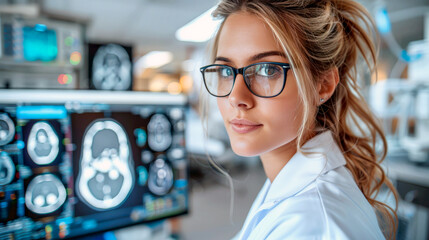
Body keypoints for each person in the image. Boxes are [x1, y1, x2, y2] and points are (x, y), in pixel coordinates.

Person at [199, 0, 398, 239]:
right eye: (225, 71)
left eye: (267, 70)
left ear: (322, 85)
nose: (236, 98)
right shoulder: (287, 182)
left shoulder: (311, 225)